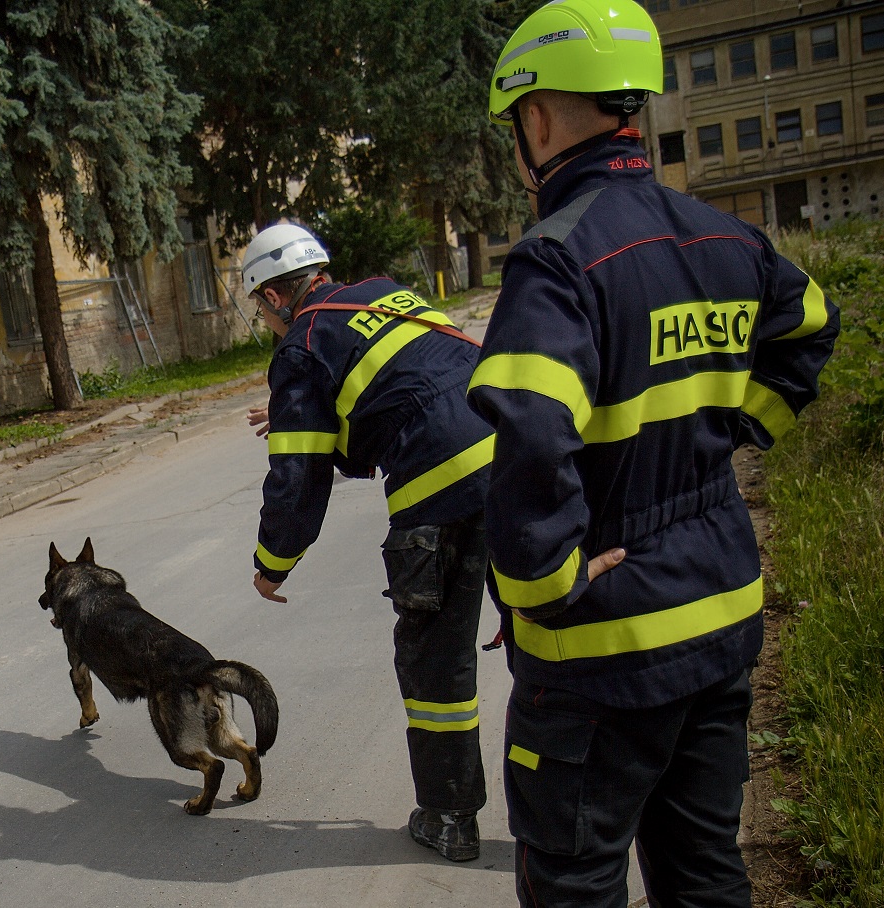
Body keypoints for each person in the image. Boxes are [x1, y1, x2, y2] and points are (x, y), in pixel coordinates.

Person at [466, 0, 840, 904]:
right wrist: (732, 433)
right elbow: (808, 329)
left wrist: (543, 589)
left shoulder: (554, 259)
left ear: (539, 116)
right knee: (703, 869)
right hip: (719, 605)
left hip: (604, 644)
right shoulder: (725, 234)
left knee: (574, 880)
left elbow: (528, 432)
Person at [242, 222, 495, 861]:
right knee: (547, 625)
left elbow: (298, 478)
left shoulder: (299, 348)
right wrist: (309, 407)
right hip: (521, 456)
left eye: (259, 309)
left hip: (442, 488)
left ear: (274, 297)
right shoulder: (384, 294)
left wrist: (273, 562)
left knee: (435, 658)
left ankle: (448, 816)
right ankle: (585, 806)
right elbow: (407, 380)